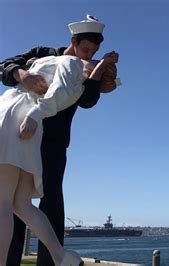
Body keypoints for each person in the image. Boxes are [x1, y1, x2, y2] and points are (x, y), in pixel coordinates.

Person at [0, 15, 118, 266]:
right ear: (73, 40)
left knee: (42, 200)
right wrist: (23, 74)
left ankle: (52, 260)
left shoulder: (79, 66)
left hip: (49, 139)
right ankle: (43, 258)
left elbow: (87, 100)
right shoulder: (45, 53)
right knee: (17, 203)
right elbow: (6, 66)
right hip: (22, 129)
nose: (87, 55)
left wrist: (97, 74)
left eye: (92, 52)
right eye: (85, 49)